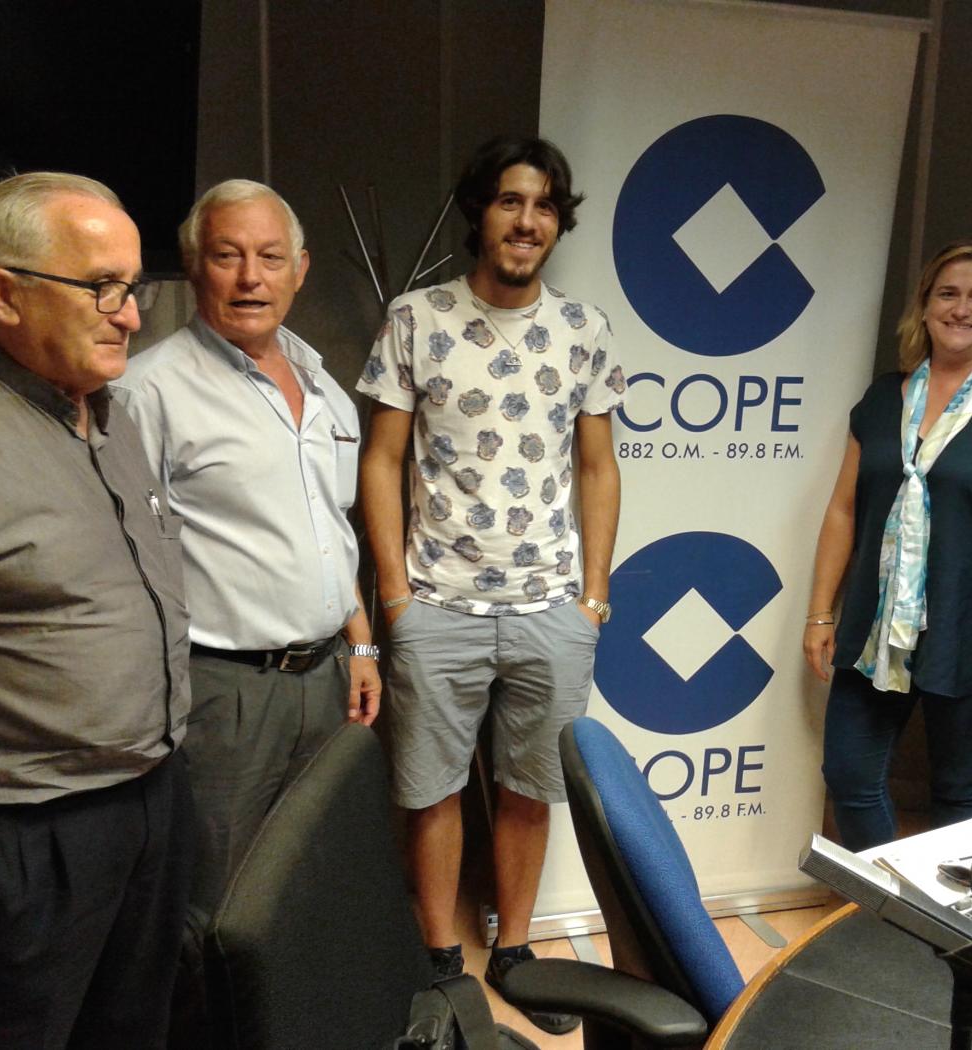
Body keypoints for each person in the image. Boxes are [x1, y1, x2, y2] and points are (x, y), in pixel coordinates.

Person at [357, 135, 622, 1034]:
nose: (528, 221)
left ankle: (513, 951)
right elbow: (383, 459)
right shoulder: (416, 319)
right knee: (429, 788)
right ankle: (441, 962)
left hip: (550, 606)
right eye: (511, 201)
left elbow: (598, 468)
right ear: (480, 211)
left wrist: (593, 597)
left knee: (529, 788)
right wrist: (395, 595)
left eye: (545, 205)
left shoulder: (583, 330)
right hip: (438, 606)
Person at [113, 180, 381, 1032]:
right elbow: (124, 555)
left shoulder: (321, 378)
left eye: (270, 257)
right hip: (223, 690)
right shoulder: (150, 390)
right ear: (195, 268)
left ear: (299, 270)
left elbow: (331, 531)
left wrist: (362, 643)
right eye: (227, 255)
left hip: (329, 674)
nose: (250, 277)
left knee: (310, 882)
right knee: (218, 906)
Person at [0, 172, 193, 1048]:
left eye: (135, 286)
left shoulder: (113, 416)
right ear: (5, 294)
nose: (131, 316)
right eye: (102, 288)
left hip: (152, 805)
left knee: (133, 1032)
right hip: (28, 838)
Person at [804, 239, 972, 851]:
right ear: (923, 308)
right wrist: (822, 610)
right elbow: (844, 510)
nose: (962, 309)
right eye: (947, 294)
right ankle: (890, 912)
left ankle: (954, 931)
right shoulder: (881, 399)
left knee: (959, 789)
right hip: (876, 628)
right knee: (849, 774)